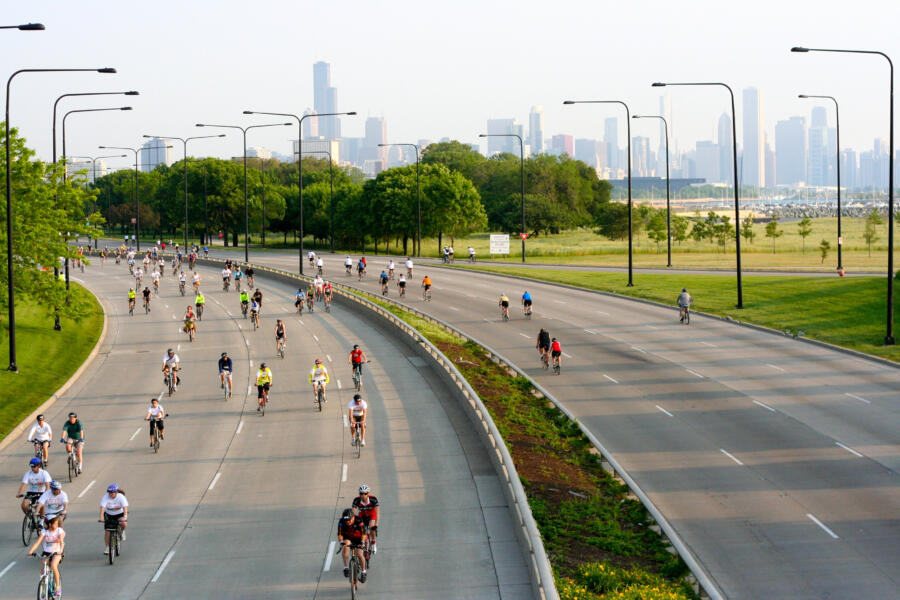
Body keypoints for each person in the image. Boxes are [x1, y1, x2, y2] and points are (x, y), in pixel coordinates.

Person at [28, 513, 65, 597]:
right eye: (54, 523)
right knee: (43, 570)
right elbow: (37, 543)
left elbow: (62, 542)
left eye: (57, 523)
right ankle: (43, 589)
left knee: (53, 565)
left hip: (56, 553)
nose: (56, 525)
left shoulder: (59, 531)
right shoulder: (44, 532)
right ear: (49, 524)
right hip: (46, 553)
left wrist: (61, 551)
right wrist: (31, 551)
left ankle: (58, 588)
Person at [338, 507, 368, 581]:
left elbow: (364, 533)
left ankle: (363, 572)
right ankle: (346, 568)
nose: (347, 522)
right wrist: (341, 542)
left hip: (359, 538)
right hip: (347, 537)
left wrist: (363, 542)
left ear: (353, 517)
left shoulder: (359, 520)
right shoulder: (341, 522)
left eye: (349, 520)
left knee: (359, 554)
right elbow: (340, 534)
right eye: (346, 520)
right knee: (345, 546)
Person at [98, 484, 128, 555]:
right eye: (109, 492)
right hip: (109, 514)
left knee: (123, 523)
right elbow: (102, 507)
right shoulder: (105, 497)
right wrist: (101, 517)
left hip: (119, 513)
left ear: (116, 492)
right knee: (107, 530)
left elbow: (125, 507)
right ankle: (108, 547)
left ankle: (122, 532)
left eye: (112, 492)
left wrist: (125, 516)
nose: (111, 494)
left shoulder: (121, 497)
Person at [352, 484, 380, 553]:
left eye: (365, 493)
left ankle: (373, 542)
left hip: (371, 515)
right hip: (362, 516)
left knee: (371, 527)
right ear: (359, 494)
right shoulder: (356, 500)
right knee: (360, 529)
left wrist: (376, 525)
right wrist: (354, 523)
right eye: (361, 493)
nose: (363, 495)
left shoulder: (373, 499)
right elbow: (354, 514)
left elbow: (377, 514)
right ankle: (363, 542)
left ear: (368, 494)